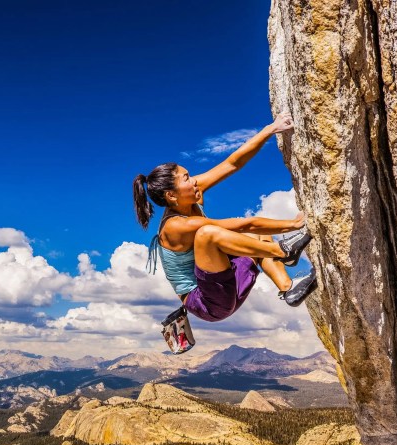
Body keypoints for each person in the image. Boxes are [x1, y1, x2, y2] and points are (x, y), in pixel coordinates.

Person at [132, 113, 317, 325]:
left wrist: (270, 129)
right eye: (186, 179)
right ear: (171, 195)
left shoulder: (191, 193)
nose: (194, 181)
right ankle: (284, 252)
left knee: (256, 235)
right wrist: (294, 225)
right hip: (207, 302)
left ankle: (289, 288)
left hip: (226, 281)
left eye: (190, 175)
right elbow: (243, 224)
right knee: (208, 234)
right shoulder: (175, 226)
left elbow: (232, 164)